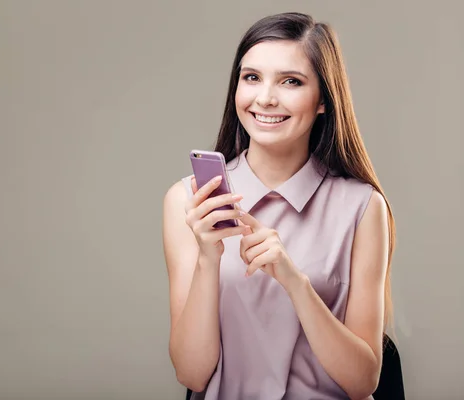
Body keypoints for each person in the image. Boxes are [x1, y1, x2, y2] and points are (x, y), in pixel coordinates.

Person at [161, 12, 396, 400]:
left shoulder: (363, 207)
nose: (266, 98)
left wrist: (296, 283)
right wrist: (208, 259)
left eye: (291, 81)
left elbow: (363, 382)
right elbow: (192, 374)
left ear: (323, 100)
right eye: (251, 77)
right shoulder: (188, 201)